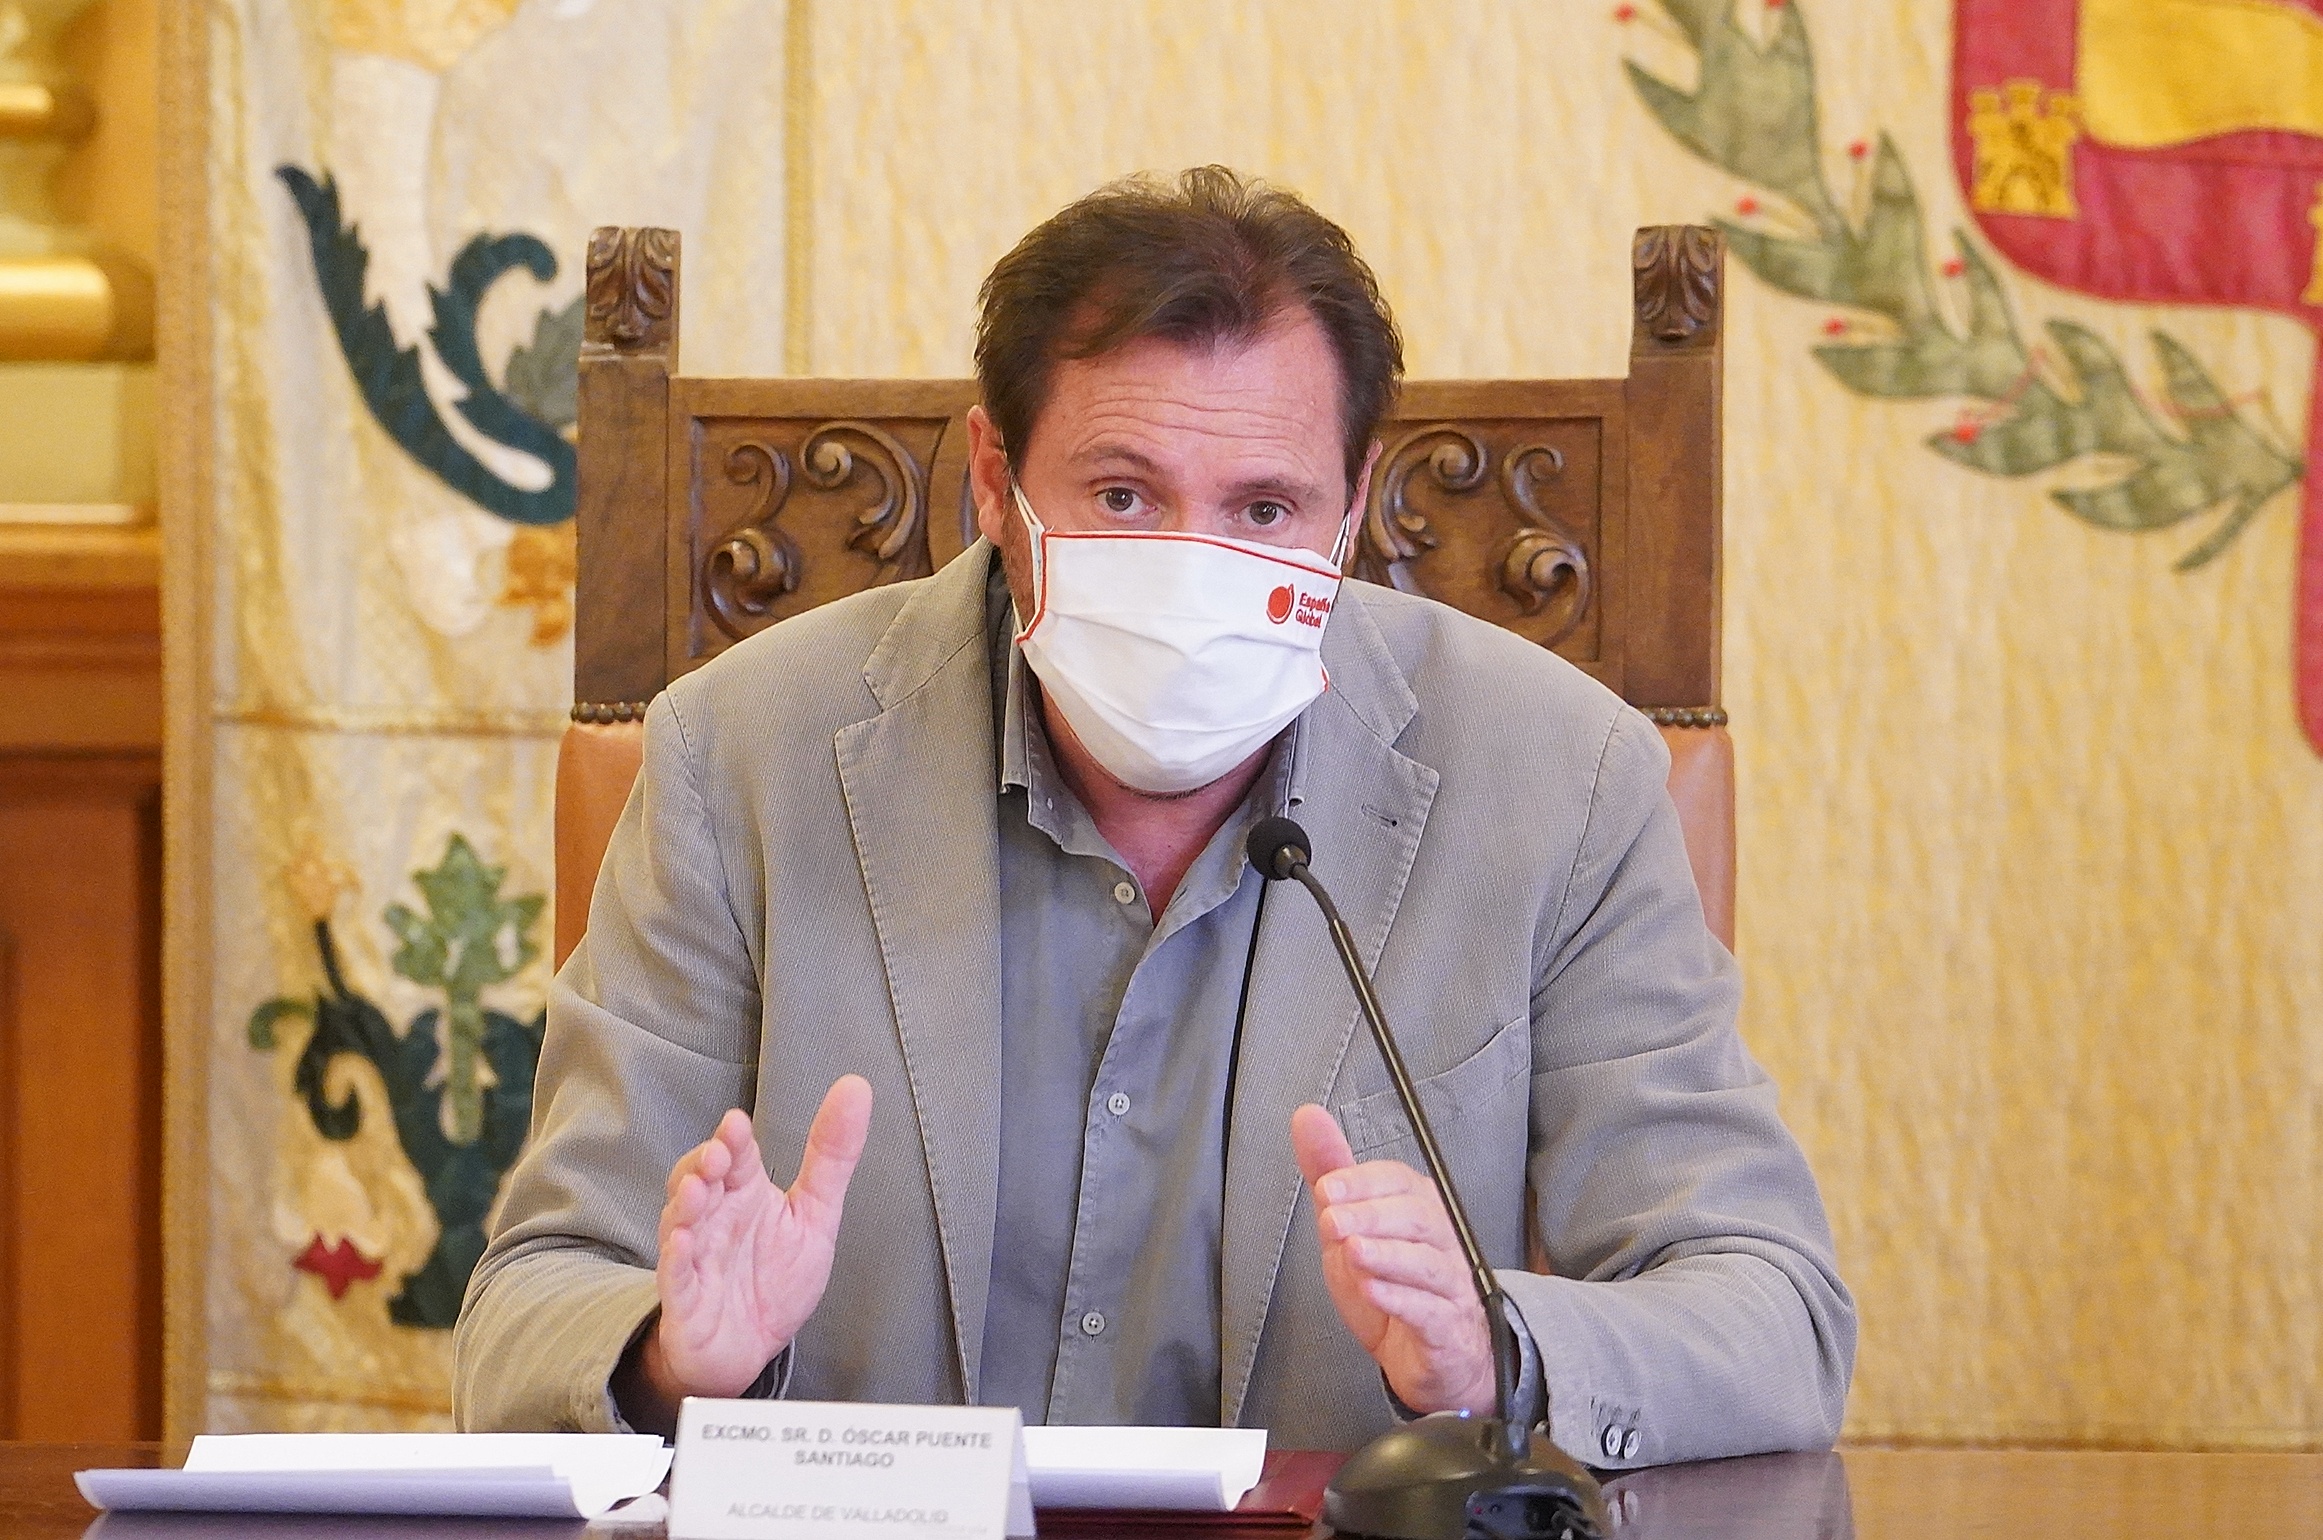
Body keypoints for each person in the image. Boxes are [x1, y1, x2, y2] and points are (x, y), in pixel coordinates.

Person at [455, 166, 1855, 1465]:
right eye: (1124, 495)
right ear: (996, 482)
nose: (1194, 565)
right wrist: (673, 1358)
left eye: (1264, 509)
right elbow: (532, 1304)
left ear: (1354, 506)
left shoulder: (1560, 779)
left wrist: (1499, 1349)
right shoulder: (741, 755)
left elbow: (1775, 1314)